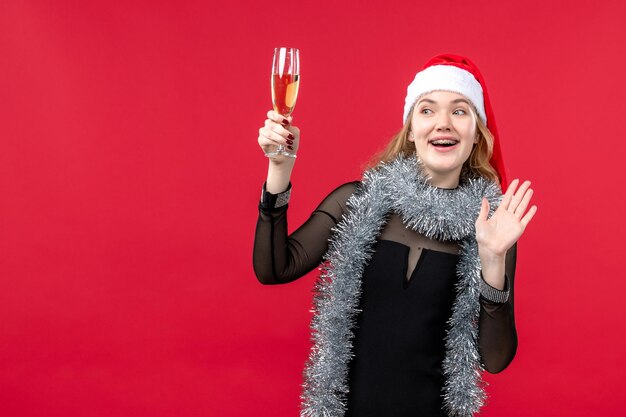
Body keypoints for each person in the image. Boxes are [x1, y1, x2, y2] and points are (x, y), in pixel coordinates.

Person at [253, 54, 537, 417]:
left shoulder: (490, 228)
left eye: (460, 111)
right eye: (428, 110)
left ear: (477, 132)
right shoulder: (357, 201)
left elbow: (494, 360)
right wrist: (280, 169)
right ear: (411, 128)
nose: (443, 124)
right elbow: (275, 268)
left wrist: (493, 258)